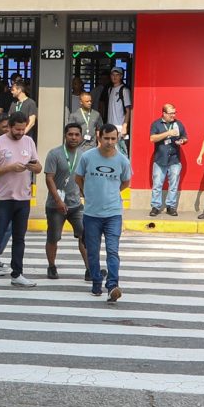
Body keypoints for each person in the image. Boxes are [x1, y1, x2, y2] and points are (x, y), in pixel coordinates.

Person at [0, 111, 41, 287]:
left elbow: (38, 167)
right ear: (10, 127)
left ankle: (17, 273)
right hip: (3, 198)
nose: (21, 133)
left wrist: (32, 166)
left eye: (23, 129)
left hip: (23, 198)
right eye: (18, 129)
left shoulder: (29, 141)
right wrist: (10, 167)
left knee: (19, 238)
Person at [78, 123, 132, 301]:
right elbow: (78, 178)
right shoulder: (87, 157)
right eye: (106, 138)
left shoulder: (123, 160)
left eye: (113, 139)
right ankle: (96, 283)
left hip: (113, 213)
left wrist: (112, 192)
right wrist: (87, 193)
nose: (110, 142)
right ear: (99, 138)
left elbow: (125, 182)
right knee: (92, 251)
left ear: (117, 139)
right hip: (91, 214)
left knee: (112, 250)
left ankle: (112, 285)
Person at [43, 119, 89, 280]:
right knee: (53, 237)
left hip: (76, 205)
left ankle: (89, 269)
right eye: (70, 134)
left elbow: (83, 178)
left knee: (85, 236)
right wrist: (58, 201)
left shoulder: (84, 155)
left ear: (81, 136)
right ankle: (52, 266)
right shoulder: (54, 154)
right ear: (65, 136)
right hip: (56, 205)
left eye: (77, 135)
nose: (74, 138)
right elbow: (49, 179)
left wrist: (87, 197)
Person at [147, 102, 189, 216]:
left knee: (174, 184)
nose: (173, 115)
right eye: (170, 113)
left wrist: (182, 141)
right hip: (160, 160)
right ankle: (155, 206)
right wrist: (168, 133)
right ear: (164, 113)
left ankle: (171, 206)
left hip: (174, 159)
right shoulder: (156, 124)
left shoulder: (178, 124)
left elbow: (185, 137)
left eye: (174, 113)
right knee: (157, 184)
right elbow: (152, 138)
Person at [104, 65, 132, 136]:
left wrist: (125, 126)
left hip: (120, 127)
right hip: (109, 126)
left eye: (117, 75)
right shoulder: (109, 89)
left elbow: (128, 110)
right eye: (112, 75)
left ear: (121, 76)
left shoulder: (124, 90)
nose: (114, 77)